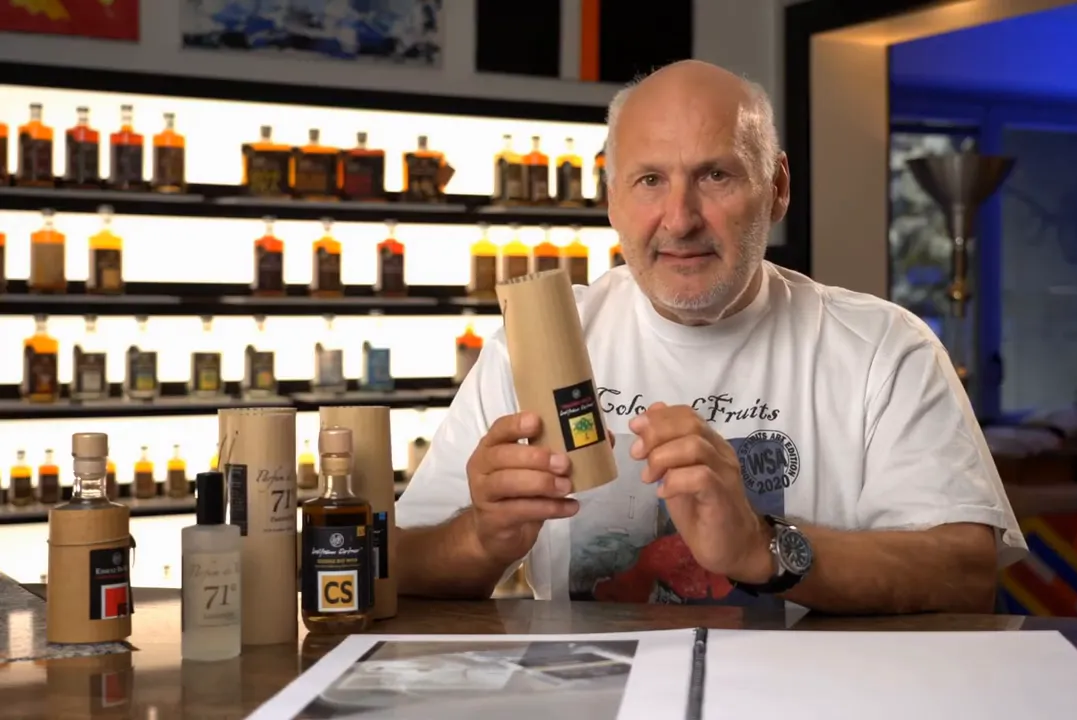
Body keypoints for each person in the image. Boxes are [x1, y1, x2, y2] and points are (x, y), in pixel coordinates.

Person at [393, 59, 1027, 614]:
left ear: (776, 187)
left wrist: (762, 547)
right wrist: (481, 536)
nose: (680, 218)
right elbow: (401, 563)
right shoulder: (534, 348)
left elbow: (966, 572)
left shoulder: (885, 349)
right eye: (649, 181)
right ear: (610, 196)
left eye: (715, 176)